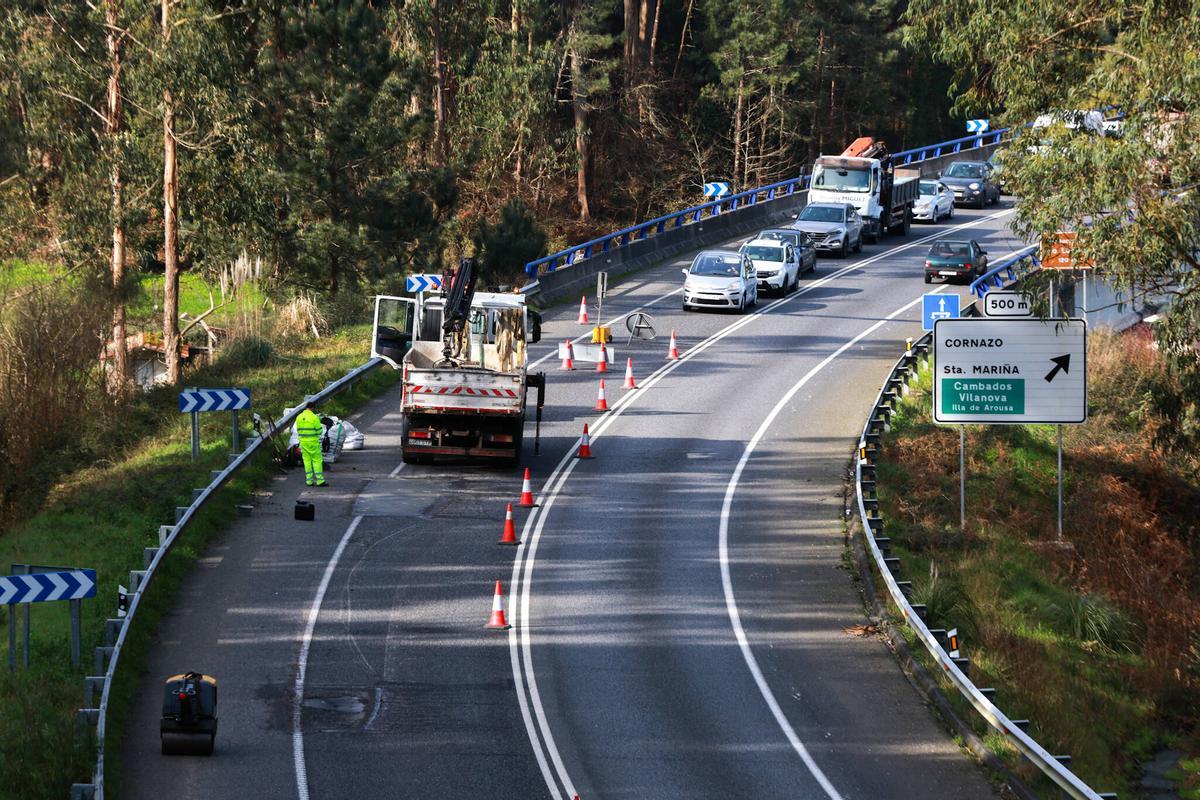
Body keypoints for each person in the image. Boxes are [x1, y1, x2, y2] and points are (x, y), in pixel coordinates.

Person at [295, 401, 327, 487]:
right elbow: (320, 431)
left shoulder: (299, 417)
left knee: (307, 461)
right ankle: (320, 481)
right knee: (317, 461)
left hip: (303, 443)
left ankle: (309, 481)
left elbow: (298, 430)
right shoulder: (314, 417)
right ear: (312, 408)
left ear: (306, 408)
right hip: (313, 443)